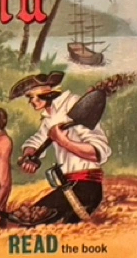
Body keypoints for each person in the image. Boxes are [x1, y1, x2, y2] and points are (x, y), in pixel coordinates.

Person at [8, 72, 110, 225]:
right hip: (68, 186)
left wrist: (64, 141)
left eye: (33, 96)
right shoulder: (50, 116)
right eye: (29, 98)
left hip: (86, 187)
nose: (31, 102)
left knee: (37, 220)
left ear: (49, 92)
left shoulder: (73, 105)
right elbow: (37, 140)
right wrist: (29, 155)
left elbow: (98, 152)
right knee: (29, 219)